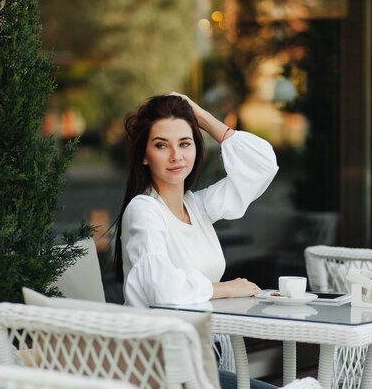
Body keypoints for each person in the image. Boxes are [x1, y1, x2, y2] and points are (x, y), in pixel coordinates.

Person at [114, 93, 279, 389]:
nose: (176, 156)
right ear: (144, 155)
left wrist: (202, 117)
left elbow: (263, 166)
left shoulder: (197, 207)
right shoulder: (144, 210)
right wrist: (226, 288)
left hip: (202, 360)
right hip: (162, 369)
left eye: (185, 143)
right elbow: (162, 289)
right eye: (161, 145)